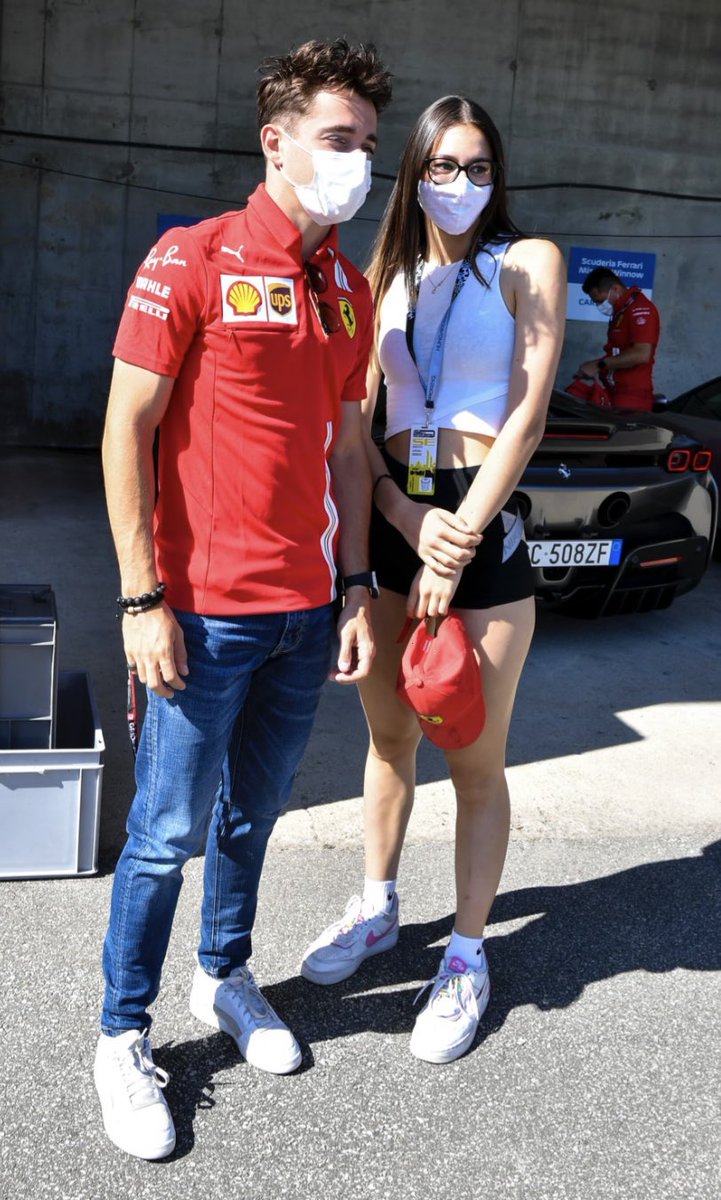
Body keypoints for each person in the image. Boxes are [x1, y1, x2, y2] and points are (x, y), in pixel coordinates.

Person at [94, 39, 392, 1160]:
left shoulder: (347, 287)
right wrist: (141, 598)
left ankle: (224, 977)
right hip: (201, 613)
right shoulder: (193, 258)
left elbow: (350, 453)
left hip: (306, 610)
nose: (356, 162)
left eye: (366, 144)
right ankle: (122, 1036)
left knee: (251, 820)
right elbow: (125, 428)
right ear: (275, 142)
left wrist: (356, 588)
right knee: (164, 834)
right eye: (336, 139)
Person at [301, 95, 566, 1064]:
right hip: (395, 514)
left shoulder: (526, 260)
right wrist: (404, 520)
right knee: (385, 735)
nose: (462, 186)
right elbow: (355, 426)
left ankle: (464, 955)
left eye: (479, 166)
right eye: (443, 168)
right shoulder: (383, 275)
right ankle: (375, 905)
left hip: (479, 523)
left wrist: (457, 536)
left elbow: (528, 413)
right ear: (413, 174)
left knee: (473, 755)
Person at [579, 267, 660, 410]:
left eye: (600, 300)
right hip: (615, 392)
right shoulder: (621, 312)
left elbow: (641, 354)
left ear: (615, 289)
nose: (599, 306)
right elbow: (618, 353)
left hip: (631, 398)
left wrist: (598, 365)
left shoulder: (640, 309)